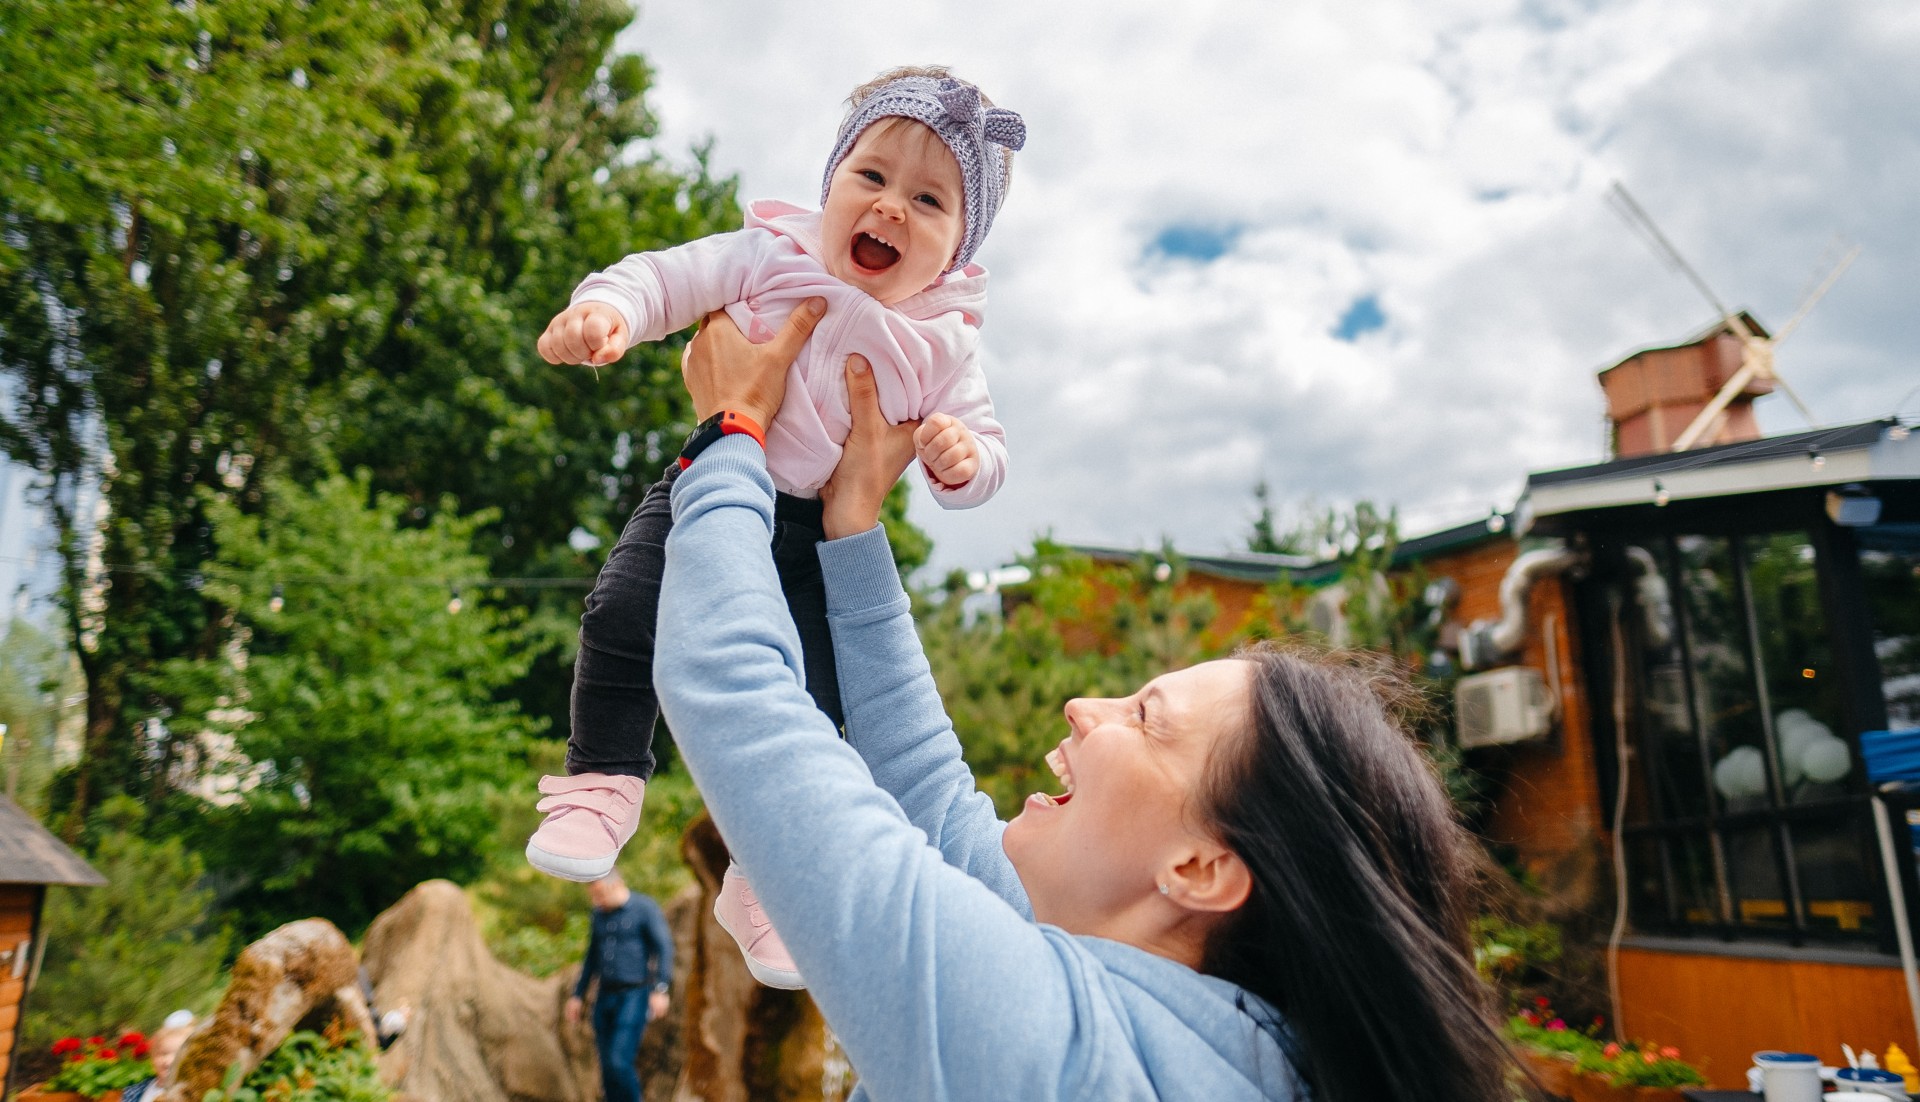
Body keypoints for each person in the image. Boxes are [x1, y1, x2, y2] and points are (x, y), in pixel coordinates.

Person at [641, 305, 1513, 1101]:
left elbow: (735, 690)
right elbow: (932, 801)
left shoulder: (1053, 1048)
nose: (1081, 705)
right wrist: (853, 527)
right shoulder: (1210, 1043)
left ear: (1200, 870)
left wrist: (731, 434)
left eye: (1145, 718)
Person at [525, 65, 1027, 990]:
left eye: (929, 199)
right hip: (709, 483)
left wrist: (961, 455)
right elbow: (667, 278)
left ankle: (769, 873)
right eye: (871, 178)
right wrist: (607, 311)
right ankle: (601, 782)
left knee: (821, 703)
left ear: (958, 250)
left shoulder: (946, 342)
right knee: (619, 616)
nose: (891, 210)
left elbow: (986, 451)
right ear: (830, 183)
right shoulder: (767, 255)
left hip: (817, 544)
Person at [566, 872, 674, 1102]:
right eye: (593, 896)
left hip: (634, 994)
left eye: (600, 895)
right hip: (605, 995)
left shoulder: (644, 909)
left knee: (619, 1061)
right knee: (606, 1067)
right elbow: (591, 957)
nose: (597, 901)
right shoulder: (599, 915)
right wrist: (577, 995)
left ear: (616, 885)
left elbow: (663, 949)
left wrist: (661, 988)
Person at [121, 1022, 191, 1102]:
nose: (168, 1061)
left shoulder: (195, 1093)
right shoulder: (134, 1092)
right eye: (163, 1054)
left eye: (178, 1055)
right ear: (153, 1058)